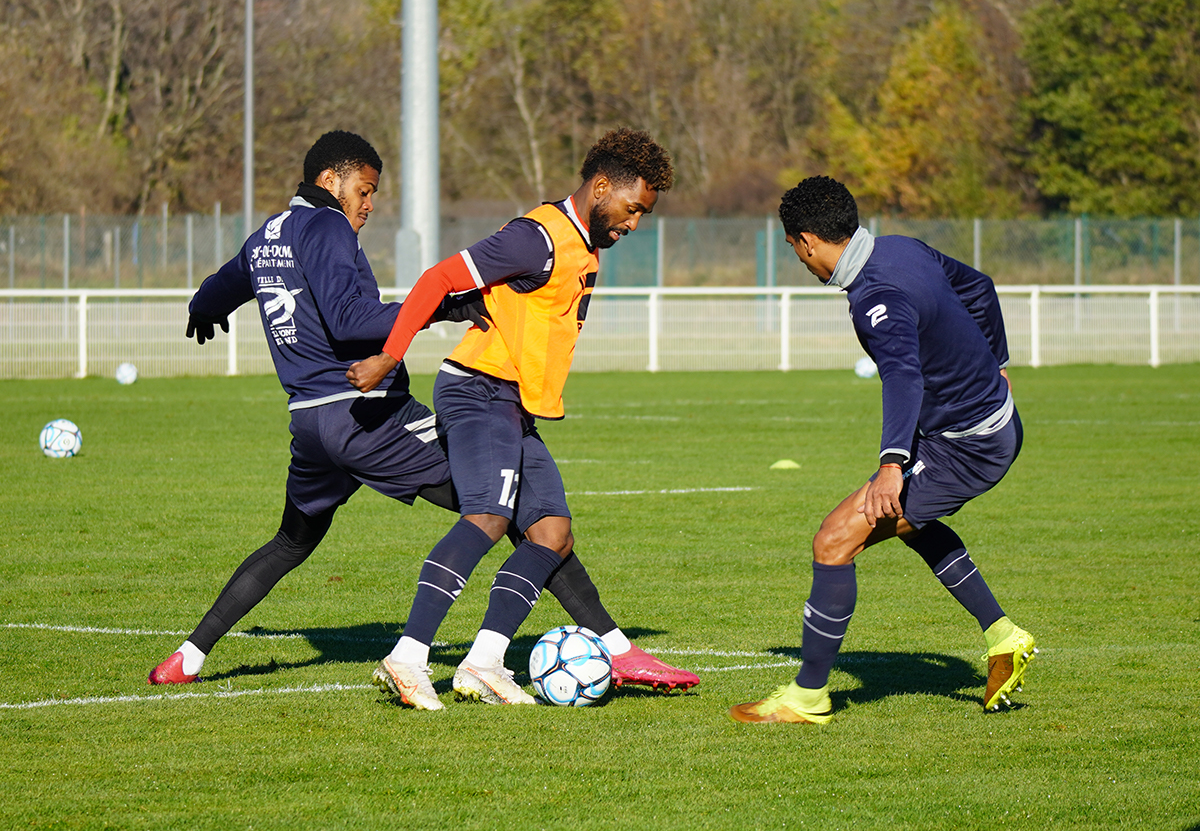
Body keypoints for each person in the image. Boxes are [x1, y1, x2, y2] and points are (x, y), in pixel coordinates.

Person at [147, 130, 699, 706]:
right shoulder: (328, 225)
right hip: (367, 417)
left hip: (310, 425)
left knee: (292, 540)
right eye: (364, 191)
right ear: (330, 181)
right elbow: (349, 320)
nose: (367, 205)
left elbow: (224, 284)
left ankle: (189, 655)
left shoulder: (269, 236)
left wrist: (201, 308)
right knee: (509, 508)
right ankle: (447, 655)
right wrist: (451, 306)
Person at [346, 128, 693, 707]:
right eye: (633, 209)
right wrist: (390, 353)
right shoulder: (540, 238)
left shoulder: (586, 243)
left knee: (552, 535)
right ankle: (407, 656)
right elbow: (439, 279)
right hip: (478, 392)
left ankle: (484, 662)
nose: (634, 223)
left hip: (513, 405)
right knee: (486, 517)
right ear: (601, 187)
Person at [729, 175, 1037, 725]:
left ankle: (808, 697)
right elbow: (980, 286)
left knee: (834, 538)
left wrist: (891, 465)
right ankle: (1003, 636)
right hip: (980, 426)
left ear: (806, 241)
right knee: (910, 523)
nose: (800, 262)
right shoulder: (901, 248)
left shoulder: (877, 296)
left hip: (968, 445)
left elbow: (902, 377)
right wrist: (1001, 365)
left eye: (794, 251)